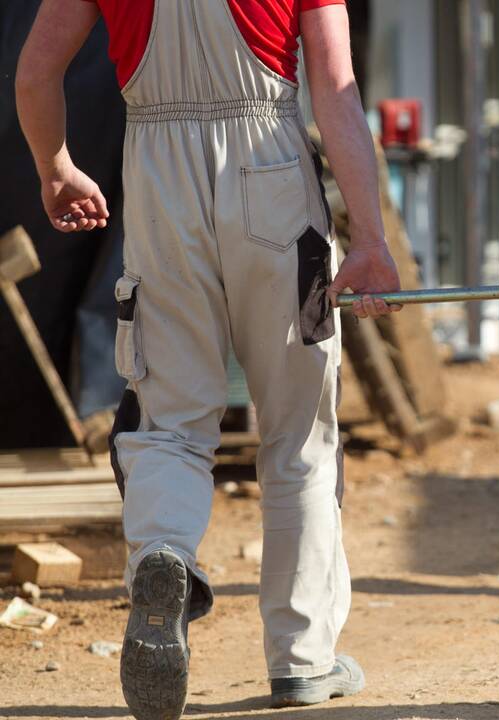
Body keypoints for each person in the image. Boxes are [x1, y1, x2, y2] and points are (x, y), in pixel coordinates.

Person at [15, 1, 401, 717]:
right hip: (276, 179)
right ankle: (304, 659)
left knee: (168, 418)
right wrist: (372, 240)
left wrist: (57, 167)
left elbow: (37, 71)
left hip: (160, 184)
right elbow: (336, 89)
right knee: (298, 432)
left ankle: (163, 552)